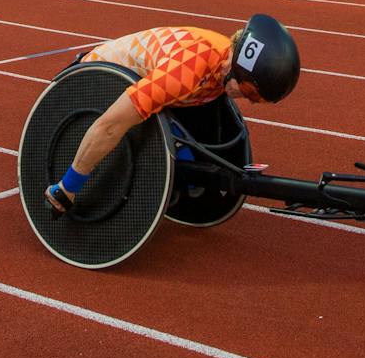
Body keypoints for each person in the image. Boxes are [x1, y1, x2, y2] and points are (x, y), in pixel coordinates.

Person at [41, 15, 300, 217]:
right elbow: (110, 125)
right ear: (240, 70)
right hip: (92, 86)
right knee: (121, 124)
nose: (251, 102)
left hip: (151, 86)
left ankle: (182, 171)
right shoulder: (187, 71)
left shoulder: (224, 59)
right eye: (251, 93)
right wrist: (68, 188)